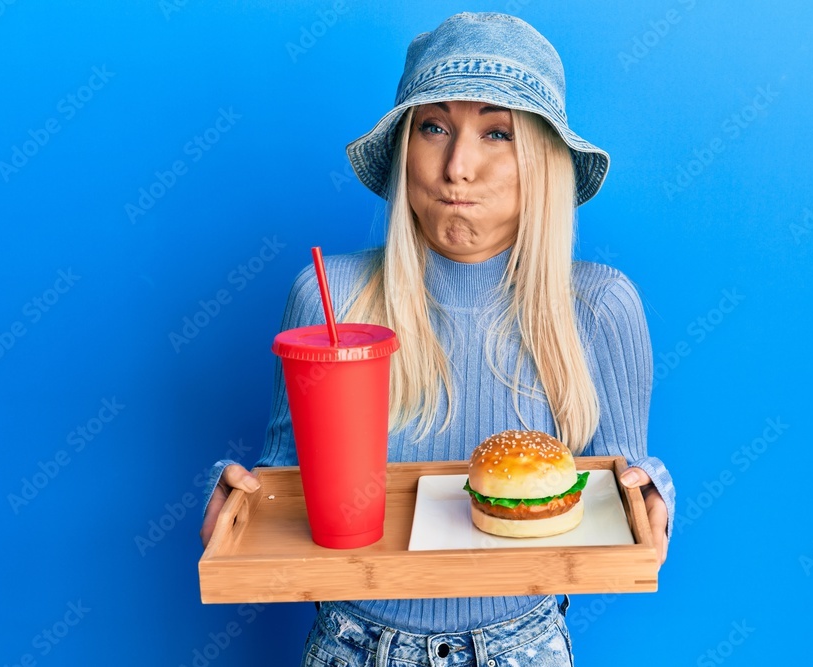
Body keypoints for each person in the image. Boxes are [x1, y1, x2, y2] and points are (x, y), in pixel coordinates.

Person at [200, 11, 674, 667]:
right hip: (351, 643)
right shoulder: (328, 297)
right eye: (434, 126)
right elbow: (283, 481)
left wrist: (654, 491)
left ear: (542, 160)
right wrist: (235, 499)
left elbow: (623, 480)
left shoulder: (600, 306)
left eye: (497, 132)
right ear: (404, 149)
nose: (458, 165)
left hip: (524, 645)